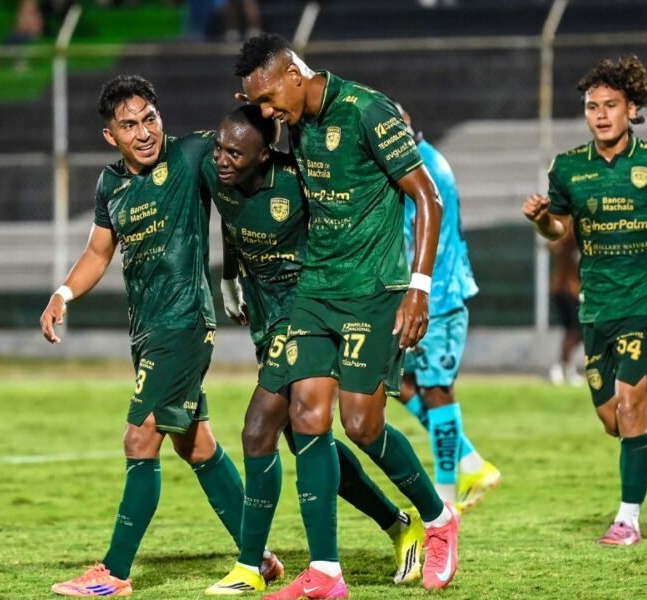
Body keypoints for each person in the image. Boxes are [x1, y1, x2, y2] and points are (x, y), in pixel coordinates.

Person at [235, 34, 460, 597]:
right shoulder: (297, 125)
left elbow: (426, 197)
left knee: (362, 425)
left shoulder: (366, 109)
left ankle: (437, 520)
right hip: (316, 290)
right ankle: (326, 573)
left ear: (292, 72)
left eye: (266, 99)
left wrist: (419, 288)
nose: (265, 113)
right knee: (308, 416)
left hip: (373, 291)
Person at [39, 75, 282, 597]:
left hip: (184, 322)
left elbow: (248, 162)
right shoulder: (111, 185)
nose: (144, 132)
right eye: (129, 125)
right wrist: (62, 294)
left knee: (139, 435)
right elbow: (98, 253)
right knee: (195, 444)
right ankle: (256, 555)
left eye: (149, 117)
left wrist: (235, 275)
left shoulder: (193, 153)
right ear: (111, 137)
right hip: (148, 330)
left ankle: (114, 573)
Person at [201, 105, 426, 595]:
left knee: (259, 428)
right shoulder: (217, 169)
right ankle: (397, 523)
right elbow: (231, 216)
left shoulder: (298, 181)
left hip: (306, 307)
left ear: (266, 154)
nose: (222, 158)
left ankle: (251, 565)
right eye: (220, 148)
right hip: (264, 313)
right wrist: (230, 276)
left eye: (236, 152)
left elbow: (349, 222)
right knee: (303, 438)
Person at [521, 55, 647, 547]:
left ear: (632, 108)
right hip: (597, 306)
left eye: (611, 105)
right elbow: (559, 231)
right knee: (614, 420)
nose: (601, 114)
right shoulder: (567, 168)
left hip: (645, 301)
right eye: (592, 107)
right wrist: (543, 219)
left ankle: (627, 520)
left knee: (631, 408)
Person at [393, 104, 501, 515]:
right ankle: (471, 461)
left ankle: (446, 497)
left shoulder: (427, 169)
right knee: (394, 382)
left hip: (438, 299)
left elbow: (429, 241)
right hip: (418, 298)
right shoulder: (413, 161)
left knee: (437, 390)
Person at [547, 227, 584, 386]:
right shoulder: (571, 231)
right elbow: (553, 243)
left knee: (579, 331)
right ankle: (560, 367)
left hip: (578, 290)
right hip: (566, 289)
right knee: (574, 329)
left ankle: (566, 366)